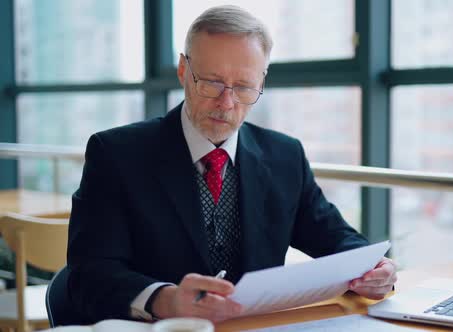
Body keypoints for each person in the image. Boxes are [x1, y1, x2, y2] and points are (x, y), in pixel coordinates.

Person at [67, 5, 397, 323]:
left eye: (243, 87)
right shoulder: (115, 154)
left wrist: (375, 268)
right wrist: (164, 299)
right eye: (211, 82)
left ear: (261, 83)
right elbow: (88, 275)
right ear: (183, 70)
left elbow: (335, 238)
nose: (226, 103)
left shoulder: (285, 156)